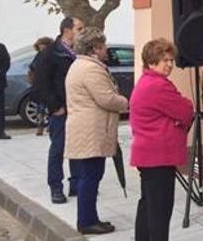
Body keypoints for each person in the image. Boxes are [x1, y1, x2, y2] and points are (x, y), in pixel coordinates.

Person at [64, 27, 129, 235]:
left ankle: (89, 218)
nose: (106, 49)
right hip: (92, 129)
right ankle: (87, 221)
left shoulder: (80, 65)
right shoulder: (91, 69)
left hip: (87, 127)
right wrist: (125, 101)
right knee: (91, 176)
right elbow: (107, 99)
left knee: (89, 175)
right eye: (102, 46)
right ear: (94, 48)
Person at [130, 38, 194, 241]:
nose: (169, 64)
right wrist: (176, 121)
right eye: (164, 60)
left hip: (147, 155)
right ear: (151, 62)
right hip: (157, 156)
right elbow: (186, 110)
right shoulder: (158, 85)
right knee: (160, 210)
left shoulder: (146, 81)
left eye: (171, 60)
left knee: (148, 205)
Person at [33, 16, 84, 204]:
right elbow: (40, 85)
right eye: (79, 29)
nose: (82, 32)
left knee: (78, 148)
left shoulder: (79, 53)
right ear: (67, 30)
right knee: (58, 149)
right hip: (61, 111)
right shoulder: (50, 54)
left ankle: (76, 184)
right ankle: (56, 187)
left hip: (79, 109)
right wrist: (55, 107)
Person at [28, 37, 55, 135]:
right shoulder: (38, 56)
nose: (42, 49)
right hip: (40, 84)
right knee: (41, 107)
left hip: (49, 84)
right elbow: (32, 67)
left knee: (51, 106)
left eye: (43, 46)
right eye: (40, 47)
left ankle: (50, 125)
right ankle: (41, 125)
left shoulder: (51, 55)